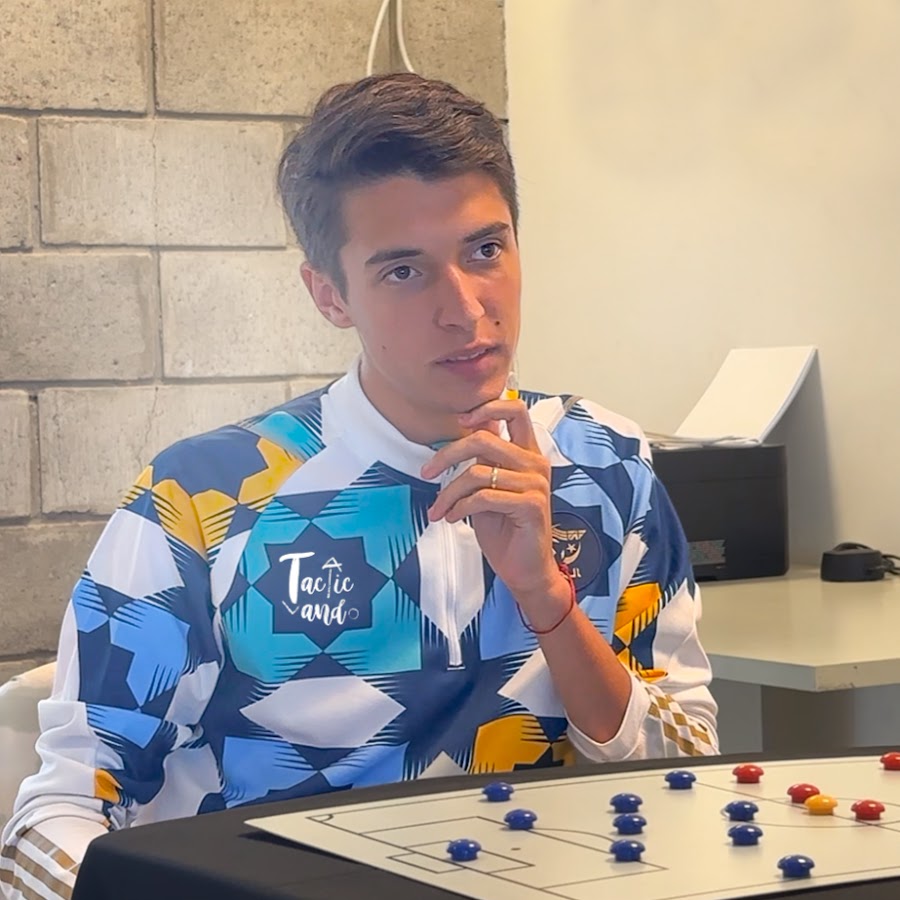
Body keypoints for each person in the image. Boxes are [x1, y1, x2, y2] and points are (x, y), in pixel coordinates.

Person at [0, 73, 718, 899]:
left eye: (486, 250)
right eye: (404, 272)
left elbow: (688, 771)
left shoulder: (608, 463)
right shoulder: (203, 496)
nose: (465, 309)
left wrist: (548, 601)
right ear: (329, 296)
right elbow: (59, 811)